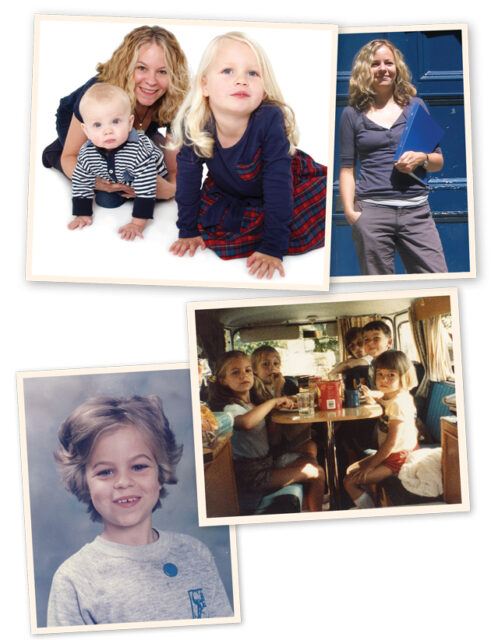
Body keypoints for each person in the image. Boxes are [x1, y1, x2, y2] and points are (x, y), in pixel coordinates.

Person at [47, 395, 233, 626]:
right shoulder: (73, 580)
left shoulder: (196, 554)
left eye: (139, 466)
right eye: (105, 472)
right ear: (84, 482)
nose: (123, 482)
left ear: (160, 474)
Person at [169, 32, 327, 280]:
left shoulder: (268, 118)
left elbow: (278, 186)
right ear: (205, 85)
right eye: (228, 71)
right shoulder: (196, 121)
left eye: (252, 73)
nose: (241, 80)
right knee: (213, 222)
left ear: (263, 89)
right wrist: (187, 230)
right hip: (231, 188)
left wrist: (273, 247)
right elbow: (188, 181)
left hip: (285, 182)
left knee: (304, 217)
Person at [42, 25, 190, 240]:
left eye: (162, 71)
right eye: (141, 68)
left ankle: (139, 139)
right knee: (108, 198)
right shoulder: (98, 94)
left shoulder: (176, 99)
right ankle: (52, 151)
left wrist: (168, 190)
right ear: (126, 66)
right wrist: (92, 180)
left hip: (131, 129)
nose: (151, 81)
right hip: (85, 123)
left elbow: (175, 171)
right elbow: (70, 156)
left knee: (152, 173)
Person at [339, 38, 448, 275]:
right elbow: (347, 169)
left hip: (416, 212)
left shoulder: (416, 107)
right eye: (375, 64)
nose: (383, 69)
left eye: (388, 62)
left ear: (396, 67)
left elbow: (438, 161)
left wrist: (421, 158)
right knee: (380, 288)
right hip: (372, 213)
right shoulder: (351, 114)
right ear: (365, 70)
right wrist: (351, 213)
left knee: (437, 279)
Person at [208, 351, 325, 512]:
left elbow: (274, 440)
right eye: (236, 372)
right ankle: (315, 517)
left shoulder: (252, 405)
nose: (244, 375)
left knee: (311, 461)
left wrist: (277, 402)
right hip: (252, 477)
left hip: (266, 465)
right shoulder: (231, 408)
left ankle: (307, 508)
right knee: (316, 473)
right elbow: (245, 423)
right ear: (223, 381)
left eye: (247, 370)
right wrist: (274, 401)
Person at [69, 83, 167, 239]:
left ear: (129, 123)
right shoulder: (87, 153)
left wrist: (137, 223)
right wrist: (82, 213)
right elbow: (81, 180)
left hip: (151, 179)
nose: (107, 131)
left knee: (152, 196)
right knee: (105, 201)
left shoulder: (138, 151)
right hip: (119, 179)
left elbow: (148, 189)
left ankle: (156, 139)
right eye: (97, 125)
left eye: (115, 121)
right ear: (86, 130)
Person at [343, 351, 419, 508]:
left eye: (391, 375)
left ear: (403, 377)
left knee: (349, 482)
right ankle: (369, 499)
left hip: (399, 457)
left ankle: (369, 510)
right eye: (380, 374)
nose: (384, 379)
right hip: (389, 454)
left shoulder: (399, 403)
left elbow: (391, 443)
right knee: (351, 470)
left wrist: (371, 465)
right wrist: (371, 394)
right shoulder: (390, 394)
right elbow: (381, 394)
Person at [251, 345, 317, 458]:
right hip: (273, 441)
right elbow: (273, 434)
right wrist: (277, 392)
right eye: (266, 364)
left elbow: (294, 404)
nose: (272, 368)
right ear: (255, 370)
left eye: (275, 364)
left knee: (313, 443)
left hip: (287, 434)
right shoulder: (253, 392)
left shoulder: (288, 384)